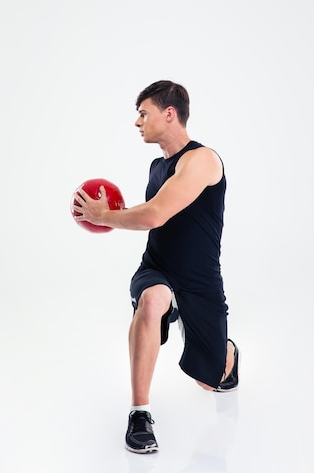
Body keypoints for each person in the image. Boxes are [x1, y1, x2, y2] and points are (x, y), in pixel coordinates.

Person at [72, 80, 239, 454]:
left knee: (210, 383)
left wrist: (106, 215)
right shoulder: (156, 166)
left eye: (143, 113)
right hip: (158, 268)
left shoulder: (203, 160)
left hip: (199, 280)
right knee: (152, 300)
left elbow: (155, 214)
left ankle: (227, 352)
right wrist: (112, 213)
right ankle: (139, 415)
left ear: (169, 114)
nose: (137, 122)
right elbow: (150, 214)